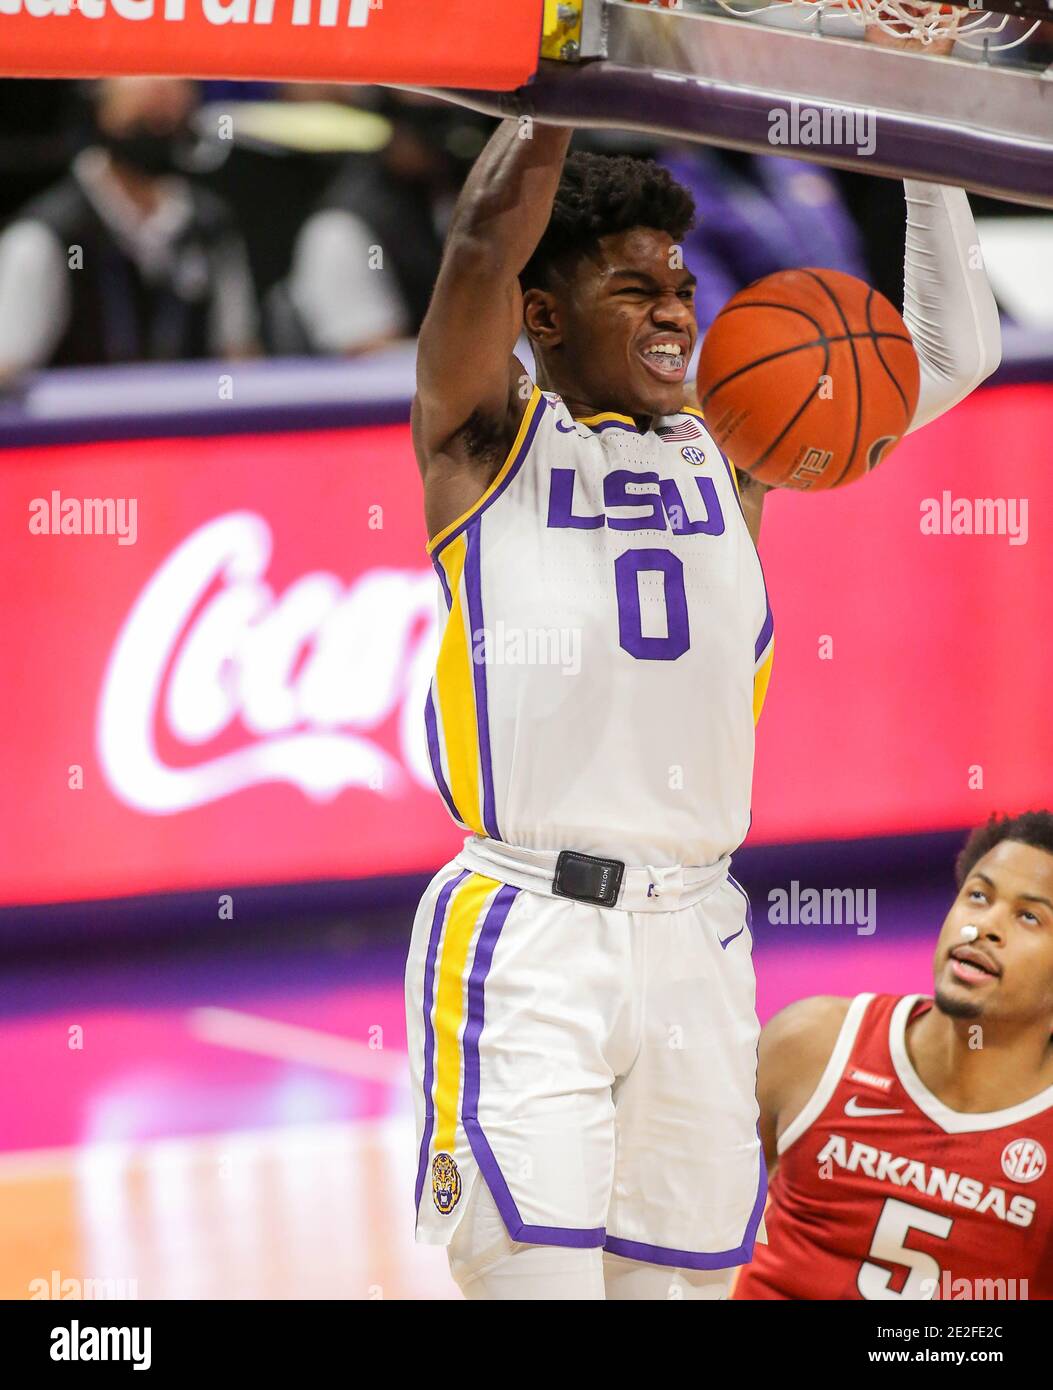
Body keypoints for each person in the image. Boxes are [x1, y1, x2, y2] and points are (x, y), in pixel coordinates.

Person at [403, 32, 1001, 1301]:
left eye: (681, 284)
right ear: (544, 315)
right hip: (529, 931)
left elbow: (955, 357)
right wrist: (569, 72)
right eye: (636, 288)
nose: (678, 309)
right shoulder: (484, 444)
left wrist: (924, 127)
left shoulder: (729, 453)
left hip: (697, 934)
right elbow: (477, 250)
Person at [734, 812, 1053, 1300]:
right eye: (978, 896)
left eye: (1029, 916)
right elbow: (684, 1228)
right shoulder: (812, 1044)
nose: (983, 927)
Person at [0, 78, 257, 380]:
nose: (159, 129)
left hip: (184, 418)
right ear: (98, 113)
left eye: (170, 120)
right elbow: (8, 370)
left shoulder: (209, 225)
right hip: (80, 421)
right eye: (142, 120)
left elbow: (238, 355)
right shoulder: (53, 237)